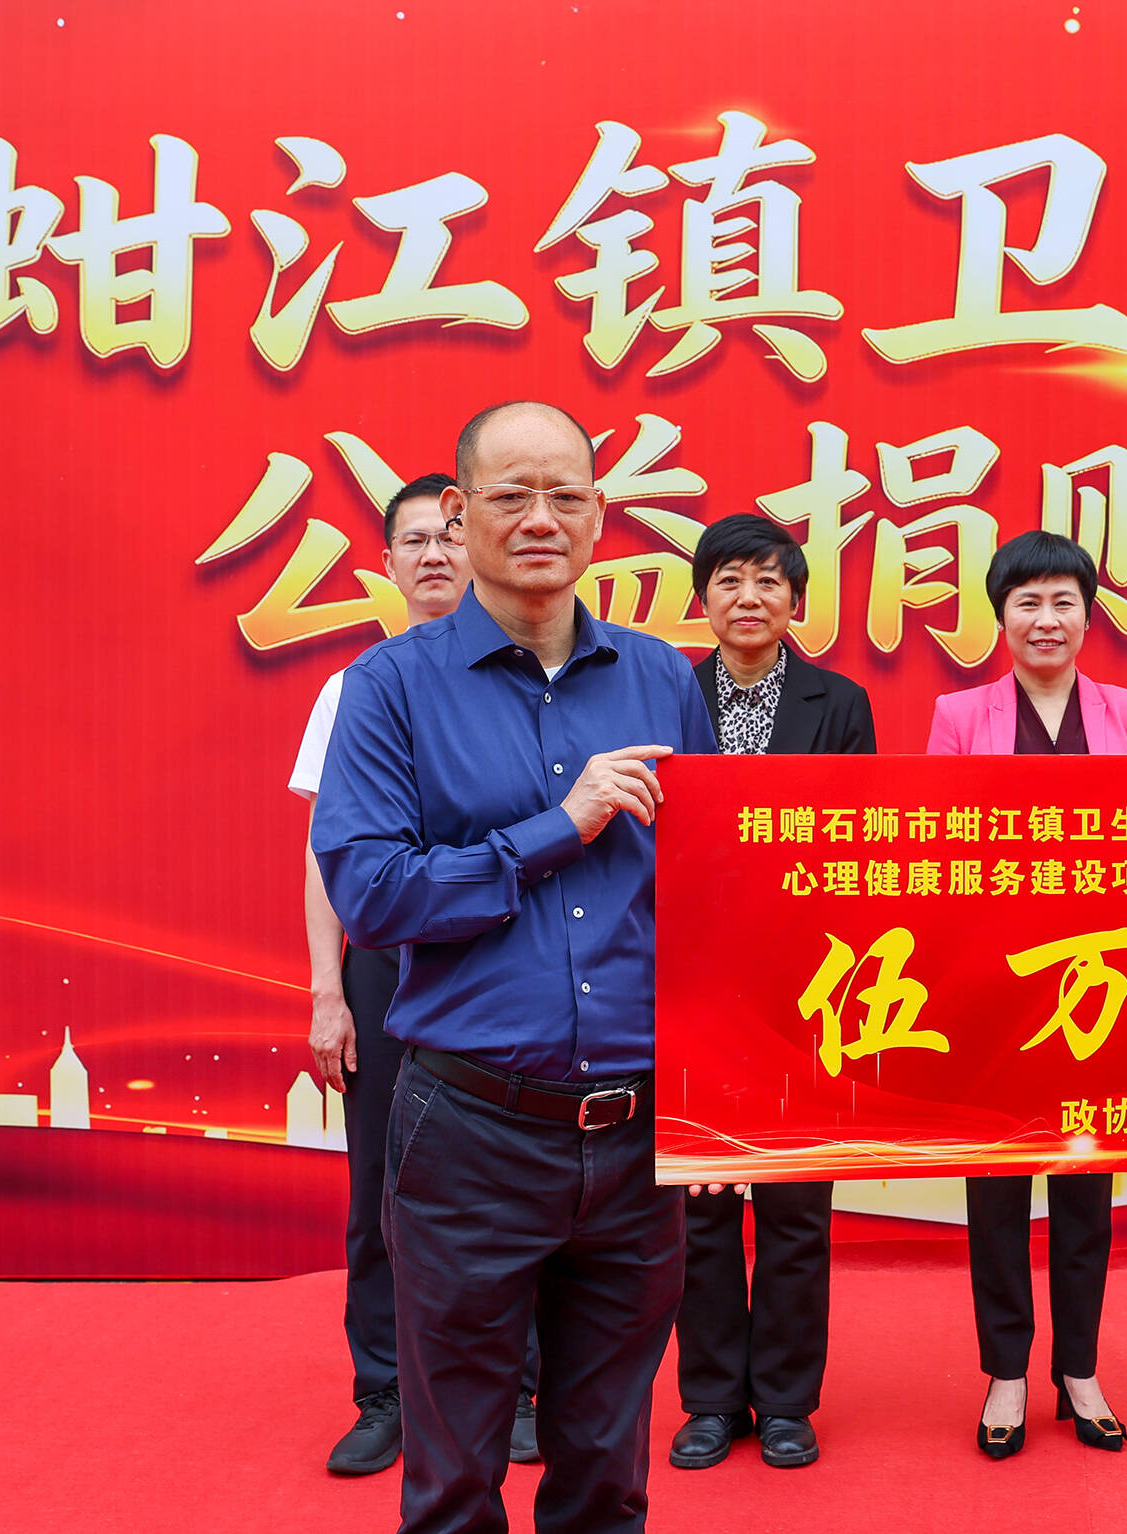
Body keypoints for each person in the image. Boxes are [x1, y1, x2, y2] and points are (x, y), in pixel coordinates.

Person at [313, 400, 716, 1534]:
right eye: (511, 496)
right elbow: (373, 894)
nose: (541, 519)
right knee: (453, 1475)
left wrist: (725, 1108)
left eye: (565, 496)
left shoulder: (660, 679)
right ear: (459, 511)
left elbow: (706, 903)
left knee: (607, 1473)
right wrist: (559, 825)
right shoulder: (389, 687)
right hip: (470, 1131)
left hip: (637, 1138)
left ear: (600, 514)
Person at [927, 529, 1127, 1459]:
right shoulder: (958, 714)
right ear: (1002, 617)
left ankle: (1081, 1369)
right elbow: (939, 846)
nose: (1047, 619)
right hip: (998, 985)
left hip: (1100, 984)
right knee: (995, 1186)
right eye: (1028, 602)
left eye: (1064, 601)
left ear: (1088, 616)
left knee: (1085, 1184)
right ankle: (1006, 1371)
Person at [668, 515, 876, 1474]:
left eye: (766, 582)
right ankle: (712, 1400)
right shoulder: (666, 694)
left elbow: (861, 842)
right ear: (703, 599)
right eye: (729, 581)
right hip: (694, 983)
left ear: (796, 600)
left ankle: (788, 1400)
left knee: (796, 1204)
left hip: (806, 986)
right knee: (701, 1202)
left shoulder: (841, 703)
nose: (747, 598)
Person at [289, 473, 484, 1474]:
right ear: (388, 564)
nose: (435, 554)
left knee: (509, 1183)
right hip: (386, 965)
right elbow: (325, 849)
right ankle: (385, 1391)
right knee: (381, 1184)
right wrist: (329, 990)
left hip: (498, 958)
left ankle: (514, 1384)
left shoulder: (522, 675)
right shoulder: (353, 687)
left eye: (452, 536)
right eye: (416, 540)